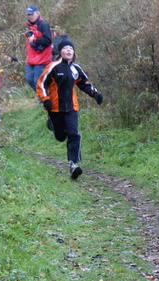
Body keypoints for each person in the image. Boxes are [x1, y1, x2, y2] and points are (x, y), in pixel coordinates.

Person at [36, 38, 104, 180]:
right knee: (61, 137)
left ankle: (74, 164)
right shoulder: (53, 67)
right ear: (60, 52)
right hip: (54, 108)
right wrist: (45, 100)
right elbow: (41, 84)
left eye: (71, 49)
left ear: (74, 53)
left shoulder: (76, 69)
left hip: (72, 107)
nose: (69, 50)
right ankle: (53, 126)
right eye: (66, 48)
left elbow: (84, 83)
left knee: (74, 133)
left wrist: (95, 94)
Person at [24, 5, 52, 92]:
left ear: (38, 13)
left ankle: (43, 102)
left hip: (42, 59)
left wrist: (35, 40)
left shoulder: (43, 25)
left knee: (38, 81)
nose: (30, 16)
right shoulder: (28, 26)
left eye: (32, 14)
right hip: (31, 59)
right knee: (29, 79)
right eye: (28, 14)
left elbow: (48, 41)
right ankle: (42, 96)